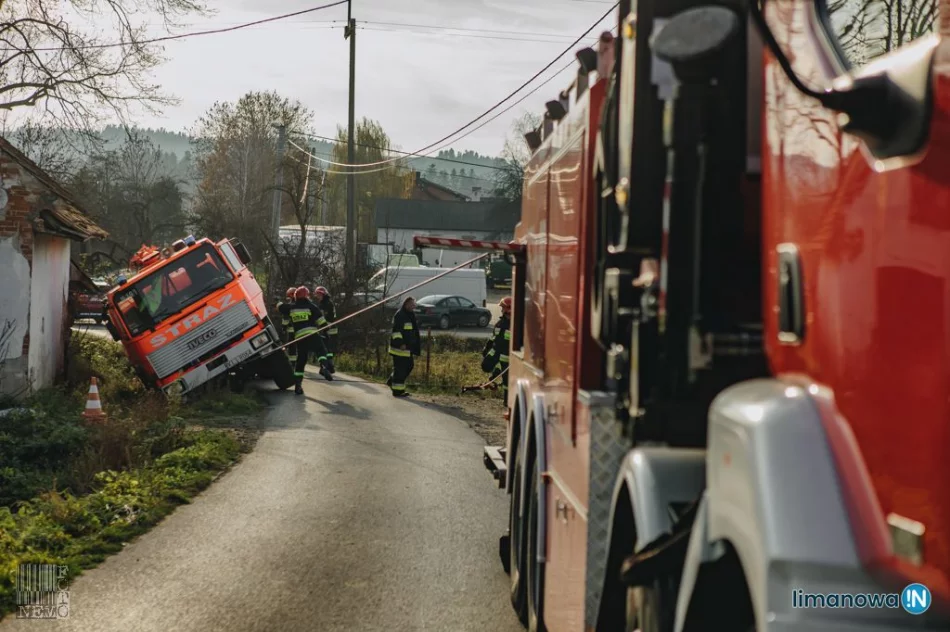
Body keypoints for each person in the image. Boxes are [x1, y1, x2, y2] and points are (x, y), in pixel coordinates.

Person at [288, 286, 333, 394]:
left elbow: (285, 312)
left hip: (300, 337)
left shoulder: (292, 308)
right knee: (321, 350)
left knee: (301, 361)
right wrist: (326, 329)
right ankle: (323, 367)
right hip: (312, 334)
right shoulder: (311, 306)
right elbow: (321, 320)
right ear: (306, 296)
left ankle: (298, 386)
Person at [389, 296, 420, 397]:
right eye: (411, 304)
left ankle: (392, 381)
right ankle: (398, 391)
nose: (413, 306)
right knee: (401, 370)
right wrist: (400, 343)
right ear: (406, 304)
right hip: (399, 349)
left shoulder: (410, 315)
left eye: (413, 304)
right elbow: (396, 331)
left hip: (407, 349)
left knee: (409, 366)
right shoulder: (400, 315)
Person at [482, 296, 512, 402]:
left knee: (507, 381)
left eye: (503, 307)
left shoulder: (516, 324)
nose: (501, 309)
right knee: (485, 366)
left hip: (507, 358)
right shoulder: (500, 323)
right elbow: (493, 337)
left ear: (508, 308)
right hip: (496, 352)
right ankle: (495, 374)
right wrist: (487, 348)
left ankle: (507, 401)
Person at [314, 286, 337, 374]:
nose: (317, 296)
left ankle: (325, 367)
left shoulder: (325, 304)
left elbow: (325, 317)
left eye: (318, 294)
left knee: (323, 347)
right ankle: (330, 366)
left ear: (322, 294)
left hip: (326, 327)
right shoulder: (328, 302)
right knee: (328, 348)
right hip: (331, 327)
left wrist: (322, 326)